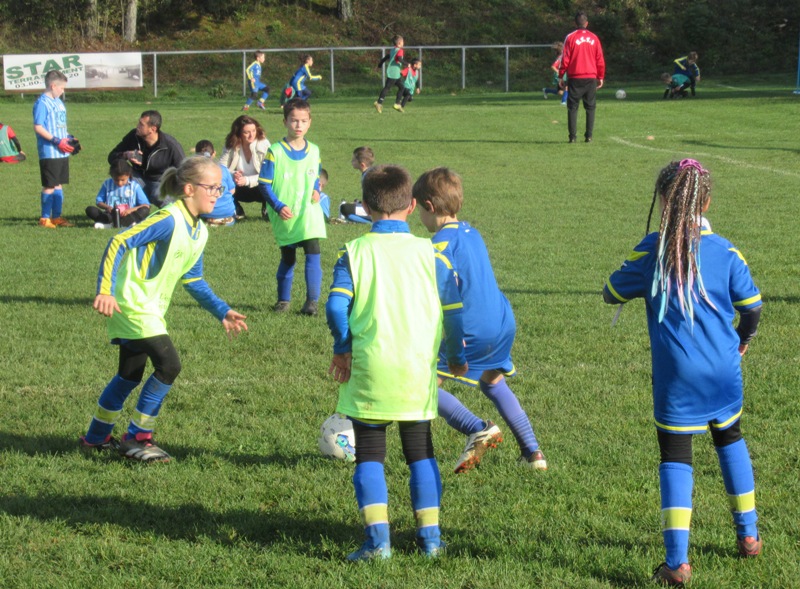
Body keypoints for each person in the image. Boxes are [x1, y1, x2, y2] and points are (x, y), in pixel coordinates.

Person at [603, 159, 763, 586]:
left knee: (676, 457)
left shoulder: (653, 250)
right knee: (730, 438)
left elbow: (611, 291)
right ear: (706, 202)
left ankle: (677, 563)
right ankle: (749, 536)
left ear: (663, 200)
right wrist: (742, 339)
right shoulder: (726, 250)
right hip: (724, 370)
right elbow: (753, 308)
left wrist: (638, 260)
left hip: (677, 377)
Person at [326, 164, 467, 561]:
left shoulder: (353, 252)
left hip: (370, 368)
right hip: (416, 370)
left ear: (366, 206)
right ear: (411, 205)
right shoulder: (431, 253)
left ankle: (378, 543)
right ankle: (431, 541)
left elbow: (336, 307)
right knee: (421, 452)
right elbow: (454, 313)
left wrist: (342, 347)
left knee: (370, 454)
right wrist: (454, 358)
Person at [79, 155, 248, 463]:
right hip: (132, 304)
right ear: (189, 189)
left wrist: (222, 310)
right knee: (169, 365)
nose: (217, 194)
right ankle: (137, 437)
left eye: (220, 188)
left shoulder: (200, 231)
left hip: (149, 309)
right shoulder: (168, 219)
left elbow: (194, 280)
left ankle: (96, 437)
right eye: (211, 187)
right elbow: (119, 242)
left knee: (129, 375)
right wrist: (105, 290)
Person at [413, 167, 547, 473]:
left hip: (471, 329)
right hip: (502, 323)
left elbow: (448, 301)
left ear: (429, 206)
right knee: (493, 381)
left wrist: (453, 350)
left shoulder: (439, 247)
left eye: (419, 209)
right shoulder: (472, 233)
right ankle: (533, 453)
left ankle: (477, 428)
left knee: (419, 387)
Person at [258, 98, 326, 316]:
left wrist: (316, 189)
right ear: (285, 122)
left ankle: (312, 302)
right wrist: (278, 206)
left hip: (309, 212)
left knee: (313, 251)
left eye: (303, 121)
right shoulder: (275, 151)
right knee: (288, 258)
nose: (299, 125)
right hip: (286, 214)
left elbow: (316, 175)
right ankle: (283, 301)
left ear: (310, 122)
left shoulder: (314, 150)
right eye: (294, 120)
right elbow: (264, 184)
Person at [107, 110, 185, 207]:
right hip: (137, 178)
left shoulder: (170, 145)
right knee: (123, 182)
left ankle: (173, 215)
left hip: (159, 182)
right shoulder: (133, 136)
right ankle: (118, 212)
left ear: (153, 129)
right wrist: (125, 155)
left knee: (159, 196)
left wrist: (172, 186)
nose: (137, 126)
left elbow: (183, 171)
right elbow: (111, 157)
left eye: (141, 124)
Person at [33, 70, 77, 228]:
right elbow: (38, 127)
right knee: (50, 185)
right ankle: (45, 218)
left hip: (61, 152)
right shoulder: (42, 103)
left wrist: (70, 138)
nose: (63, 91)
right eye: (61, 88)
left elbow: (59, 126)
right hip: (49, 151)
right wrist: (56, 140)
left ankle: (57, 217)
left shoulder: (58, 102)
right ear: (53, 86)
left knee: (58, 184)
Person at [559, 11, 605, 143]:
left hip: (575, 76)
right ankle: (589, 136)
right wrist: (600, 76)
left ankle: (572, 137)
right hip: (590, 77)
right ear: (587, 23)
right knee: (590, 107)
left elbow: (565, 58)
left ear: (575, 23)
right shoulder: (594, 38)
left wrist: (561, 75)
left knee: (573, 107)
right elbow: (599, 59)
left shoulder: (570, 37)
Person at [218, 114, 271, 220]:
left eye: (254, 131)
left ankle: (268, 208)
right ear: (238, 133)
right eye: (246, 132)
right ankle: (234, 208)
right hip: (238, 186)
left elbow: (268, 173)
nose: (251, 135)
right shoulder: (231, 144)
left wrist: (247, 180)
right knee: (220, 182)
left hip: (260, 186)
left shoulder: (264, 144)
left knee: (274, 181)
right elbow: (220, 169)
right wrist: (233, 175)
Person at [86, 159, 151, 229]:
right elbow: (99, 201)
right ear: (112, 176)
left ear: (128, 175)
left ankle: (116, 224)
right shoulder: (107, 184)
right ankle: (116, 223)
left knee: (144, 210)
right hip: (111, 215)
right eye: (116, 180)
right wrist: (107, 207)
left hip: (128, 215)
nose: (119, 183)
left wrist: (131, 210)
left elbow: (146, 205)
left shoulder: (134, 186)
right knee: (91, 210)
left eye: (123, 180)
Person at [195, 140, 237, 227]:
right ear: (213, 153)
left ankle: (207, 220)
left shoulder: (196, 172)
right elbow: (232, 191)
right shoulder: (223, 169)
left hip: (206, 214)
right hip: (227, 214)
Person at [335, 146, 372, 224]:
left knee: (344, 208)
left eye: (354, 160)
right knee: (353, 204)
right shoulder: (371, 172)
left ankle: (371, 221)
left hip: (375, 210)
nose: (352, 161)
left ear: (362, 165)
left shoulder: (367, 176)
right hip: (377, 207)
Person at [373, 35, 405, 114]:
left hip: (396, 73)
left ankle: (397, 104)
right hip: (394, 73)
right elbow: (399, 59)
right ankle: (379, 103)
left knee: (402, 87)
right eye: (403, 42)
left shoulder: (393, 50)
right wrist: (407, 64)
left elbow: (386, 57)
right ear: (399, 43)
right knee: (387, 88)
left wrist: (380, 64)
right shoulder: (400, 50)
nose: (403, 43)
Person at [542, 42, 568, 106]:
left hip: (564, 74)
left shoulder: (565, 56)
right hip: (560, 75)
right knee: (567, 88)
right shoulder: (560, 57)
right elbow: (553, 66)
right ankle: (563, 102)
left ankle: (546, 90)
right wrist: (558, 72)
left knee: (560, 92)